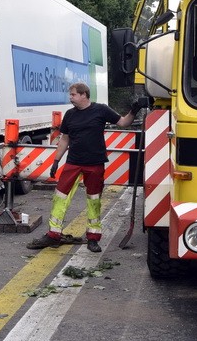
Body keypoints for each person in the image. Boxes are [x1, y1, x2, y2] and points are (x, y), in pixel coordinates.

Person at [27, 83, 143, 253]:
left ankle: (93, 238)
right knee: (60, 197)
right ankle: (53, 235)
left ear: (83, 95)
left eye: (73, 94)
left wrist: (134, 110)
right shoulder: (70, 115)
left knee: (94, 200)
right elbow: (65, 139)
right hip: (73, 162)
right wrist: (56, 161)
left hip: (95, 163)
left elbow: (124, 122)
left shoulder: (101, 110)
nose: (70, 97)